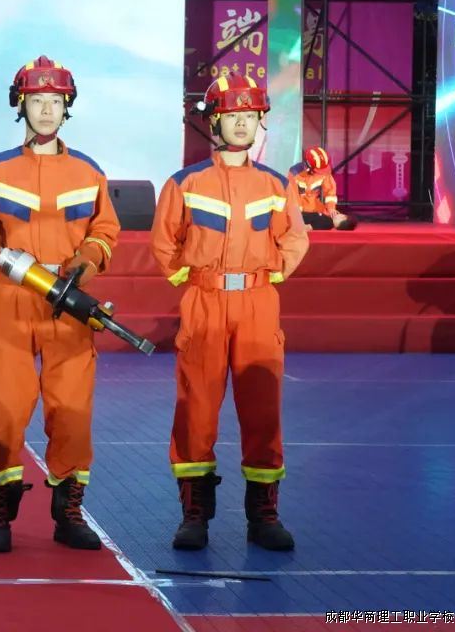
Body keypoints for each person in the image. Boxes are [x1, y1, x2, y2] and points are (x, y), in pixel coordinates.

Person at [0, 55, 120, 553]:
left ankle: (69, 513)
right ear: (21, 105)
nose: (46, 110)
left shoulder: (88, 172)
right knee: (5, 406)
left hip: (68, 299)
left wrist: (89, 258)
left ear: (67, 107)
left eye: (55, 101)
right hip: (12, 296)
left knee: (72, 409)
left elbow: (105, 228)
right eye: (37, 100)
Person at [150, 73, 308, 551]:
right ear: (214, 122)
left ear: (260, 122)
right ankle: (194, 514)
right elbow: (164, 243)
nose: (242, 123)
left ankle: (264, 516)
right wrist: (194, 279)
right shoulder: (185, 183)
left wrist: (270, 276)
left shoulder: (276, 185)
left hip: (258, 304)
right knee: (196, 408)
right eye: (232, 114)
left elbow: (295, 238)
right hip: (204, 303)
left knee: (262, 409)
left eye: (250, 115)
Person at [289, 146, 357, 230]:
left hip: (314, 209)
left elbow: (330, 192)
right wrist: (297, 213)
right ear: (307, 166)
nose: (322, 172)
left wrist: (331, 208)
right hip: (298, 210)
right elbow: (293, 196)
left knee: (326, 220)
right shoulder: (294, 174)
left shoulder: (324, 171)